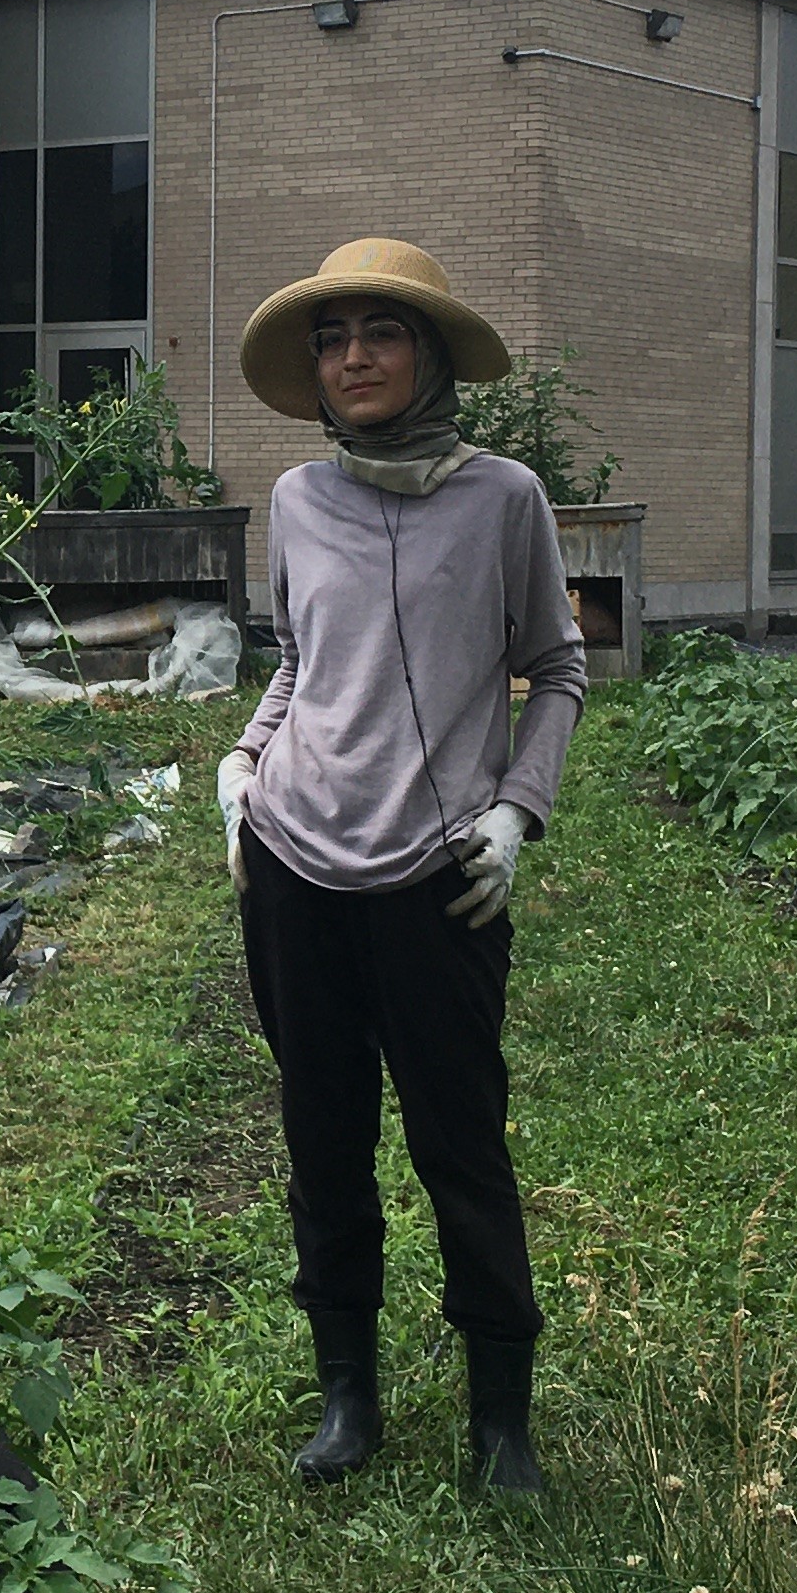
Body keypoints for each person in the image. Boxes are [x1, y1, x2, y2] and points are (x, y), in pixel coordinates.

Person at [216, 239, 586, 1496]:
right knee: (323, 1133)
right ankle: (347, 1397)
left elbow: (561, 667)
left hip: (443, 873)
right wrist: (243, 762)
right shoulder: (298, 500)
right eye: (332, 339)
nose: (354, 357)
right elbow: (298, 664)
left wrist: (517, 816)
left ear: (429, 356)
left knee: (460, 1140)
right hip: (293, 865)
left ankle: (501, 1421)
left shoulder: (507, 501)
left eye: (381, 332)